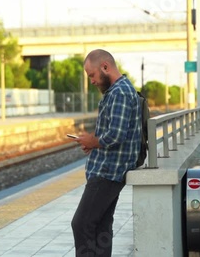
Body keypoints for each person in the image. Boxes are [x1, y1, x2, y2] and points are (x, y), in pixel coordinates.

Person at [70, 49, 141, 256]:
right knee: (101, 227)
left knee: (81, 224)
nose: (91, 81)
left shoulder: (119, 93)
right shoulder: (120, 91)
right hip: (111, 170)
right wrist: (92, 142)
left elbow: (116, 135)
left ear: (105, 67)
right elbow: (112, 131)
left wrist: (94, 141)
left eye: (92, 75)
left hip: (108, 172)